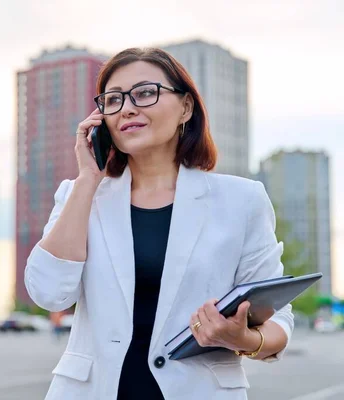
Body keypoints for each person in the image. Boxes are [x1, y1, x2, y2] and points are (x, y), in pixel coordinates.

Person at [25, 47, 294, 400]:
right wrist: (88, 179)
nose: (128, 108)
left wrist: (243, 339)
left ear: (186, 107)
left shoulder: (241, 200)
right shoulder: (79, 195)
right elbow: (49, 293)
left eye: (145, 92)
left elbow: (277, 317)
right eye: (113, 99)